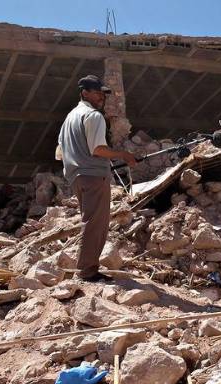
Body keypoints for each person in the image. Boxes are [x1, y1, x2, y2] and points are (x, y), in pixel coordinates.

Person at [58, 75, 138, 282]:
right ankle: (87, 271)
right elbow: (98, 149)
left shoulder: (69, 118)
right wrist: (124, 155)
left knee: (90, 221)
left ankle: (86, 268)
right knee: (96, 224)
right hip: (93, 176)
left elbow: (60, 152)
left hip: (77, 178)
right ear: (85, 92)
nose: (102, 97)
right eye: (97, 92)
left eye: (103, 93)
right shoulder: (93, 116)